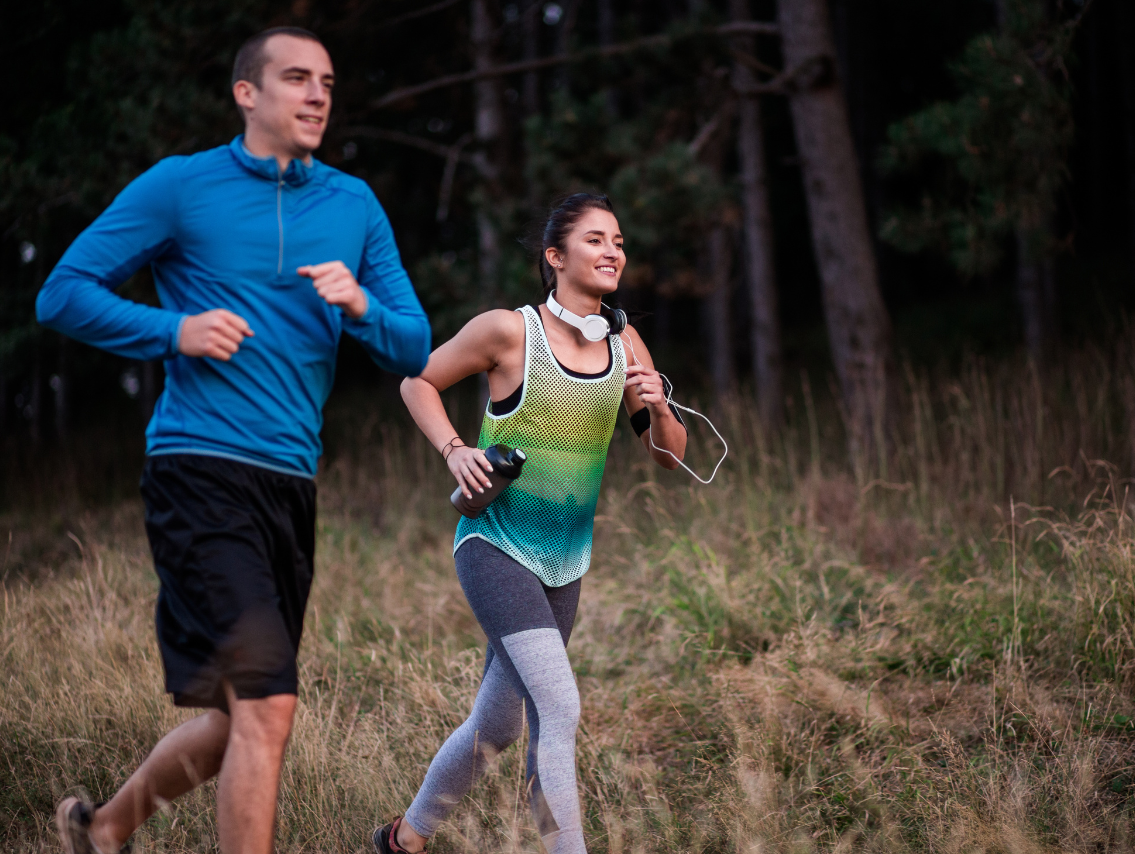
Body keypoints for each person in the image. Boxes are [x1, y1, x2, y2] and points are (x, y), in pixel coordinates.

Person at [36, 27, 430, 854]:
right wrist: (172, 330)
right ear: (247, 94)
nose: (318, 94)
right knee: (270, 702)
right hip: (198, 468)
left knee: (238, 723)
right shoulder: (182, 188)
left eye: (326, 80)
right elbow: (63, 293)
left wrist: (360, 307)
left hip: (290, 483)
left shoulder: (354, 205)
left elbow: (414, 348)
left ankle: (104, 828)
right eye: (296, 78)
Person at [378, 193, 688, 854]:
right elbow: (416, 381)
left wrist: (660, 410)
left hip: (566, 558)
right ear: (555, 256)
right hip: (495, 544)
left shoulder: (624, 340)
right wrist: (456, 450)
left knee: (497, 725)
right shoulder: (509, 332)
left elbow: (668, 459)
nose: (614, 252)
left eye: (621, 242)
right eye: (597, 240)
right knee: (559, 709)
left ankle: (403, 839)